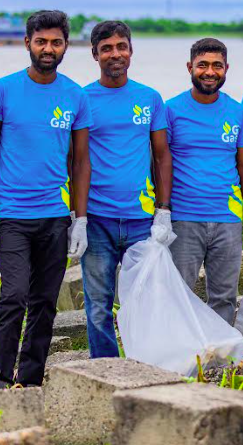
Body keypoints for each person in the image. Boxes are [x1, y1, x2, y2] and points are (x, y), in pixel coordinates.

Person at [0, 9, 92, 388]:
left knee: (44, 302)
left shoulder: (75, 95)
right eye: (40, 41)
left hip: (56, 216)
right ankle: (0, 380)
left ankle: (31, 379)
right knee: (14, 296)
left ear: (65, 46)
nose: (48, 48)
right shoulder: (1, 90)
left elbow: (80, 161)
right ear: (27, 43)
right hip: (12, 215)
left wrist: (81, 218)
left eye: (56, 42)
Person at [80, 20, 172, 358]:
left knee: (146, 301)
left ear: (131, 51)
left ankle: (146, 362)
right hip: (97, 219)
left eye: (121, 47)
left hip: (142, 221)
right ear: (94, 54)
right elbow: (72, 160)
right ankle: (106, 371)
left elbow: (162, 156)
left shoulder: (149, 98)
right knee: (99, 306)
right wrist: (75, 217)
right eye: (107, 49)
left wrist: (163, 210)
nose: (115, 54)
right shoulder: (82, 99)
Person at [164, 38, 243, 325]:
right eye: (202, 65)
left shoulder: (236, 111)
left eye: (217, 65)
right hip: (183, 218)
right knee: (178, 293)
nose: (209, 71)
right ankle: (177, 356)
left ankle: (219, 360)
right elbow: (159, 161)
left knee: (224, 297)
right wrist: (162, 210)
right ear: (189, 67)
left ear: (226, 68)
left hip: (227, 219)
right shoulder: (171, 109)